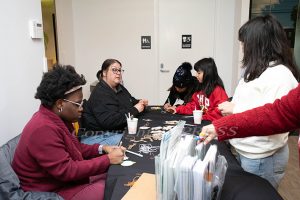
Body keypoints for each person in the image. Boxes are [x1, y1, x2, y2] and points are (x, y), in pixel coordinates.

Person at [12, 65, 125, 200]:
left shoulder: (56, 117)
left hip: (61, 182)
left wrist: (103, 149)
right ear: (60, 104)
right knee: (111, 187)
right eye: (77, 104)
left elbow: (74, 148)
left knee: (114, 175)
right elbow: (67, 170)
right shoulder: (42, 129)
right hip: (48, 192)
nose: (81, 108)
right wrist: (108, 159)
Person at [216, 15, 300, 189]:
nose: (242, 48)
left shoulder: (281, 76)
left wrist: (235, 109)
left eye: (243, 43)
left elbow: (272, 117)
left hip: (262, 158)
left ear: (257, 44)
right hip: (245, 152)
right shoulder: (256, 70)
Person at [201, 83, 300, 163]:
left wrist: (233, 112)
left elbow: (274, 115)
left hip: (259, 154)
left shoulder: (281, 76)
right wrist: (221, 127)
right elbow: (275, 113)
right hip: (243, 150)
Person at [81, 59, 148, 145]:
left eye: (120, 70)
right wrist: (135, 109)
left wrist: (140, 102)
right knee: (138, 139)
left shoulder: (119, 87)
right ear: (104, 73)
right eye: (114, 70)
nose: (118, 73)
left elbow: (130, 101)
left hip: (113, 131)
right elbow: (110, 122)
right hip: (98, 135)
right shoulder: (100, 93)